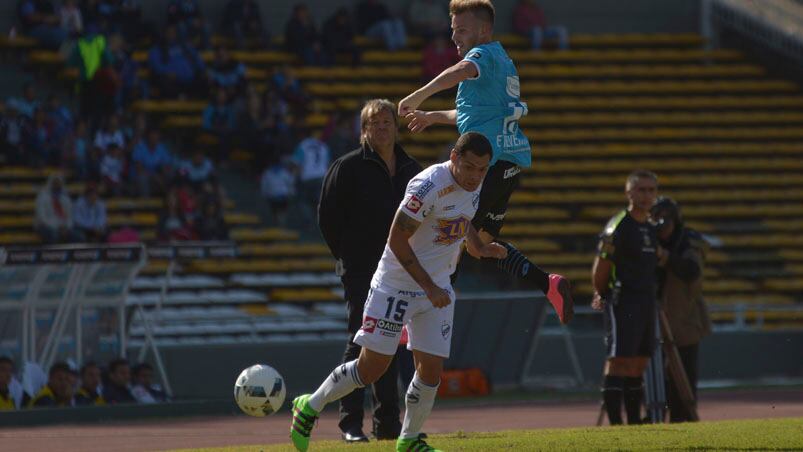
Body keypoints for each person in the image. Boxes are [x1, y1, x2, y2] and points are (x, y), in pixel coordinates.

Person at [291, 132, 506, 452]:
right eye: (470, 167)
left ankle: (408, 440)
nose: (476, 176)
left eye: (482, 170)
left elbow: (463, 219)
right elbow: (396, 238)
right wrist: (429, 286)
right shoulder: (428, 184)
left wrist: (479, 247)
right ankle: (310, 405)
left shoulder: (472, 186)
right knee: (370, 367)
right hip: (397, 285)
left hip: (437, 289)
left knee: (431, 371)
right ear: (454, 158)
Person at [397, 0, 573, 324]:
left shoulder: (483, 56)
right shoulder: (503, 61)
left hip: (485, 163)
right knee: (478, 246)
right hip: (508, 163)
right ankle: (547, 284)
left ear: (483, 29)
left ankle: (424, 315)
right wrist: (431, 117)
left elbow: (460, 71)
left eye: (461, 30)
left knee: (449, 231)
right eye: (453, 31)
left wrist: (417, 96)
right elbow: (473, 114)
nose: (455, 38)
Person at [318, 99, 422, 443]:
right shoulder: (347, 167)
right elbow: (328, 219)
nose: (381, 128)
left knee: (389, 341)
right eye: (374, 122)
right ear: (364, 130)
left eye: (387, 121)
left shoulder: (412, 169)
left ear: (396, 126)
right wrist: (348, 257)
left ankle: (388, 425)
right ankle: (350, 423)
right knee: (360, 339)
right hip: (362, 269)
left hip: (399, 270)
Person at [591, 170, 660, 425]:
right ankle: (616, 423)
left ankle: (634, 421)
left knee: (640, 361)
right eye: (641, 190)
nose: (646, 195)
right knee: (618, 359)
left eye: (651, 190)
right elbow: (602, 264)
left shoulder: (651, 227)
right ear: (629, 192)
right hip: (623, 299)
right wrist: (601, 292)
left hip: (646, 300)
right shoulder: (619, 225)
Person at [651, 196, 712, 423]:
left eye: (666, 220)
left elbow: (691, 271)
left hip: (683, 320)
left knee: (683, 378)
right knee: (655, 381)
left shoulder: (688, 242)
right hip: (651, 320)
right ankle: (652, 420)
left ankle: (683, 421)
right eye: (657, 219)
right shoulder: (645, 239)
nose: (662, 225)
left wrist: (663, 256)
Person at [291, 127, 330, 228]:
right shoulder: (323, 146)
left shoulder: (303, 145)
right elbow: (329, 164)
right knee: (318, 202)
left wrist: (293, 180)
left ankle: (308, 222)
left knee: (303, 201)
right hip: (322, 178)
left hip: (307, 178)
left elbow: (297, 164)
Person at [35, 173, 82, 244]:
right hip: (46, 226)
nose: (57, 185)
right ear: (50, 183)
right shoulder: (43, 197)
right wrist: (58, 227)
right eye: (55, 183)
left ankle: (74, 255)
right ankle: (52, 255)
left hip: (63, 227)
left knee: (79, 236)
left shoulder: (65, 198)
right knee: (54, 235)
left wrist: (67, 227)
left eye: (58, 183)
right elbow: (42, 218)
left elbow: (70, 216)